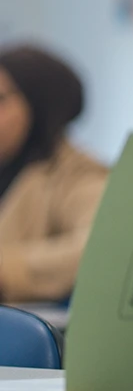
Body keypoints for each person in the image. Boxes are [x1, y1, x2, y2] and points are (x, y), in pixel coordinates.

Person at [0, 44, 108, 302]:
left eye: (1, 100)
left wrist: (8, 270)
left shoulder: (78, 175)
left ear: (39, 104)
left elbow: (98, 248)